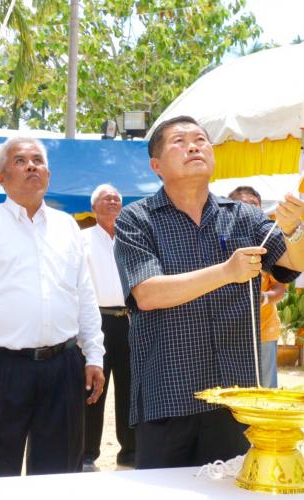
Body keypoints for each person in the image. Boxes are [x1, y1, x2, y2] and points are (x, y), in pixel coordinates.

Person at [114, 115, 304, 469]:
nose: (194, 147)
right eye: (180, 141)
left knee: (233, 486)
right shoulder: (137, 219)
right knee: (165, 490)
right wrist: (227, 272)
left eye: (201, 140)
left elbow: (292, 264)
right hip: (168, 393)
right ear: (156, 166)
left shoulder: (244, 216)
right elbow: (148, 294)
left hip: (236, 396)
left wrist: (295, 229)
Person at [0, 136, 105, 478]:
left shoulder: (68, 227)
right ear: (1, 177)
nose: (32, 166)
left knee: (60, 474)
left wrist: (93, 355)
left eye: (38, 160)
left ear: (48, 174)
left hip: (63, 366)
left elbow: (84, 294)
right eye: (20, 161)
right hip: (1, 367)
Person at [82, 184, 135, 471]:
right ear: (94, 207)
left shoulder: (132, 238)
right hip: (96, 319)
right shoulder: (82, 239)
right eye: (106, 198)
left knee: (130, 387)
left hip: (128, 319)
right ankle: (86, 453)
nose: (113, 201)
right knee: (92, 387)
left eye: (116, 198)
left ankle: (130, 451)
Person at [228, 186, 286, 388]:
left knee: (265, 391)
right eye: (242, 205)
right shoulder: (220, 242)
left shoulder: (270, 244)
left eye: (254, 205)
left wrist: (264, 298)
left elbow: (280, 289)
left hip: (263, 331)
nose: (249, 209)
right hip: (228, 334)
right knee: (232, 393)